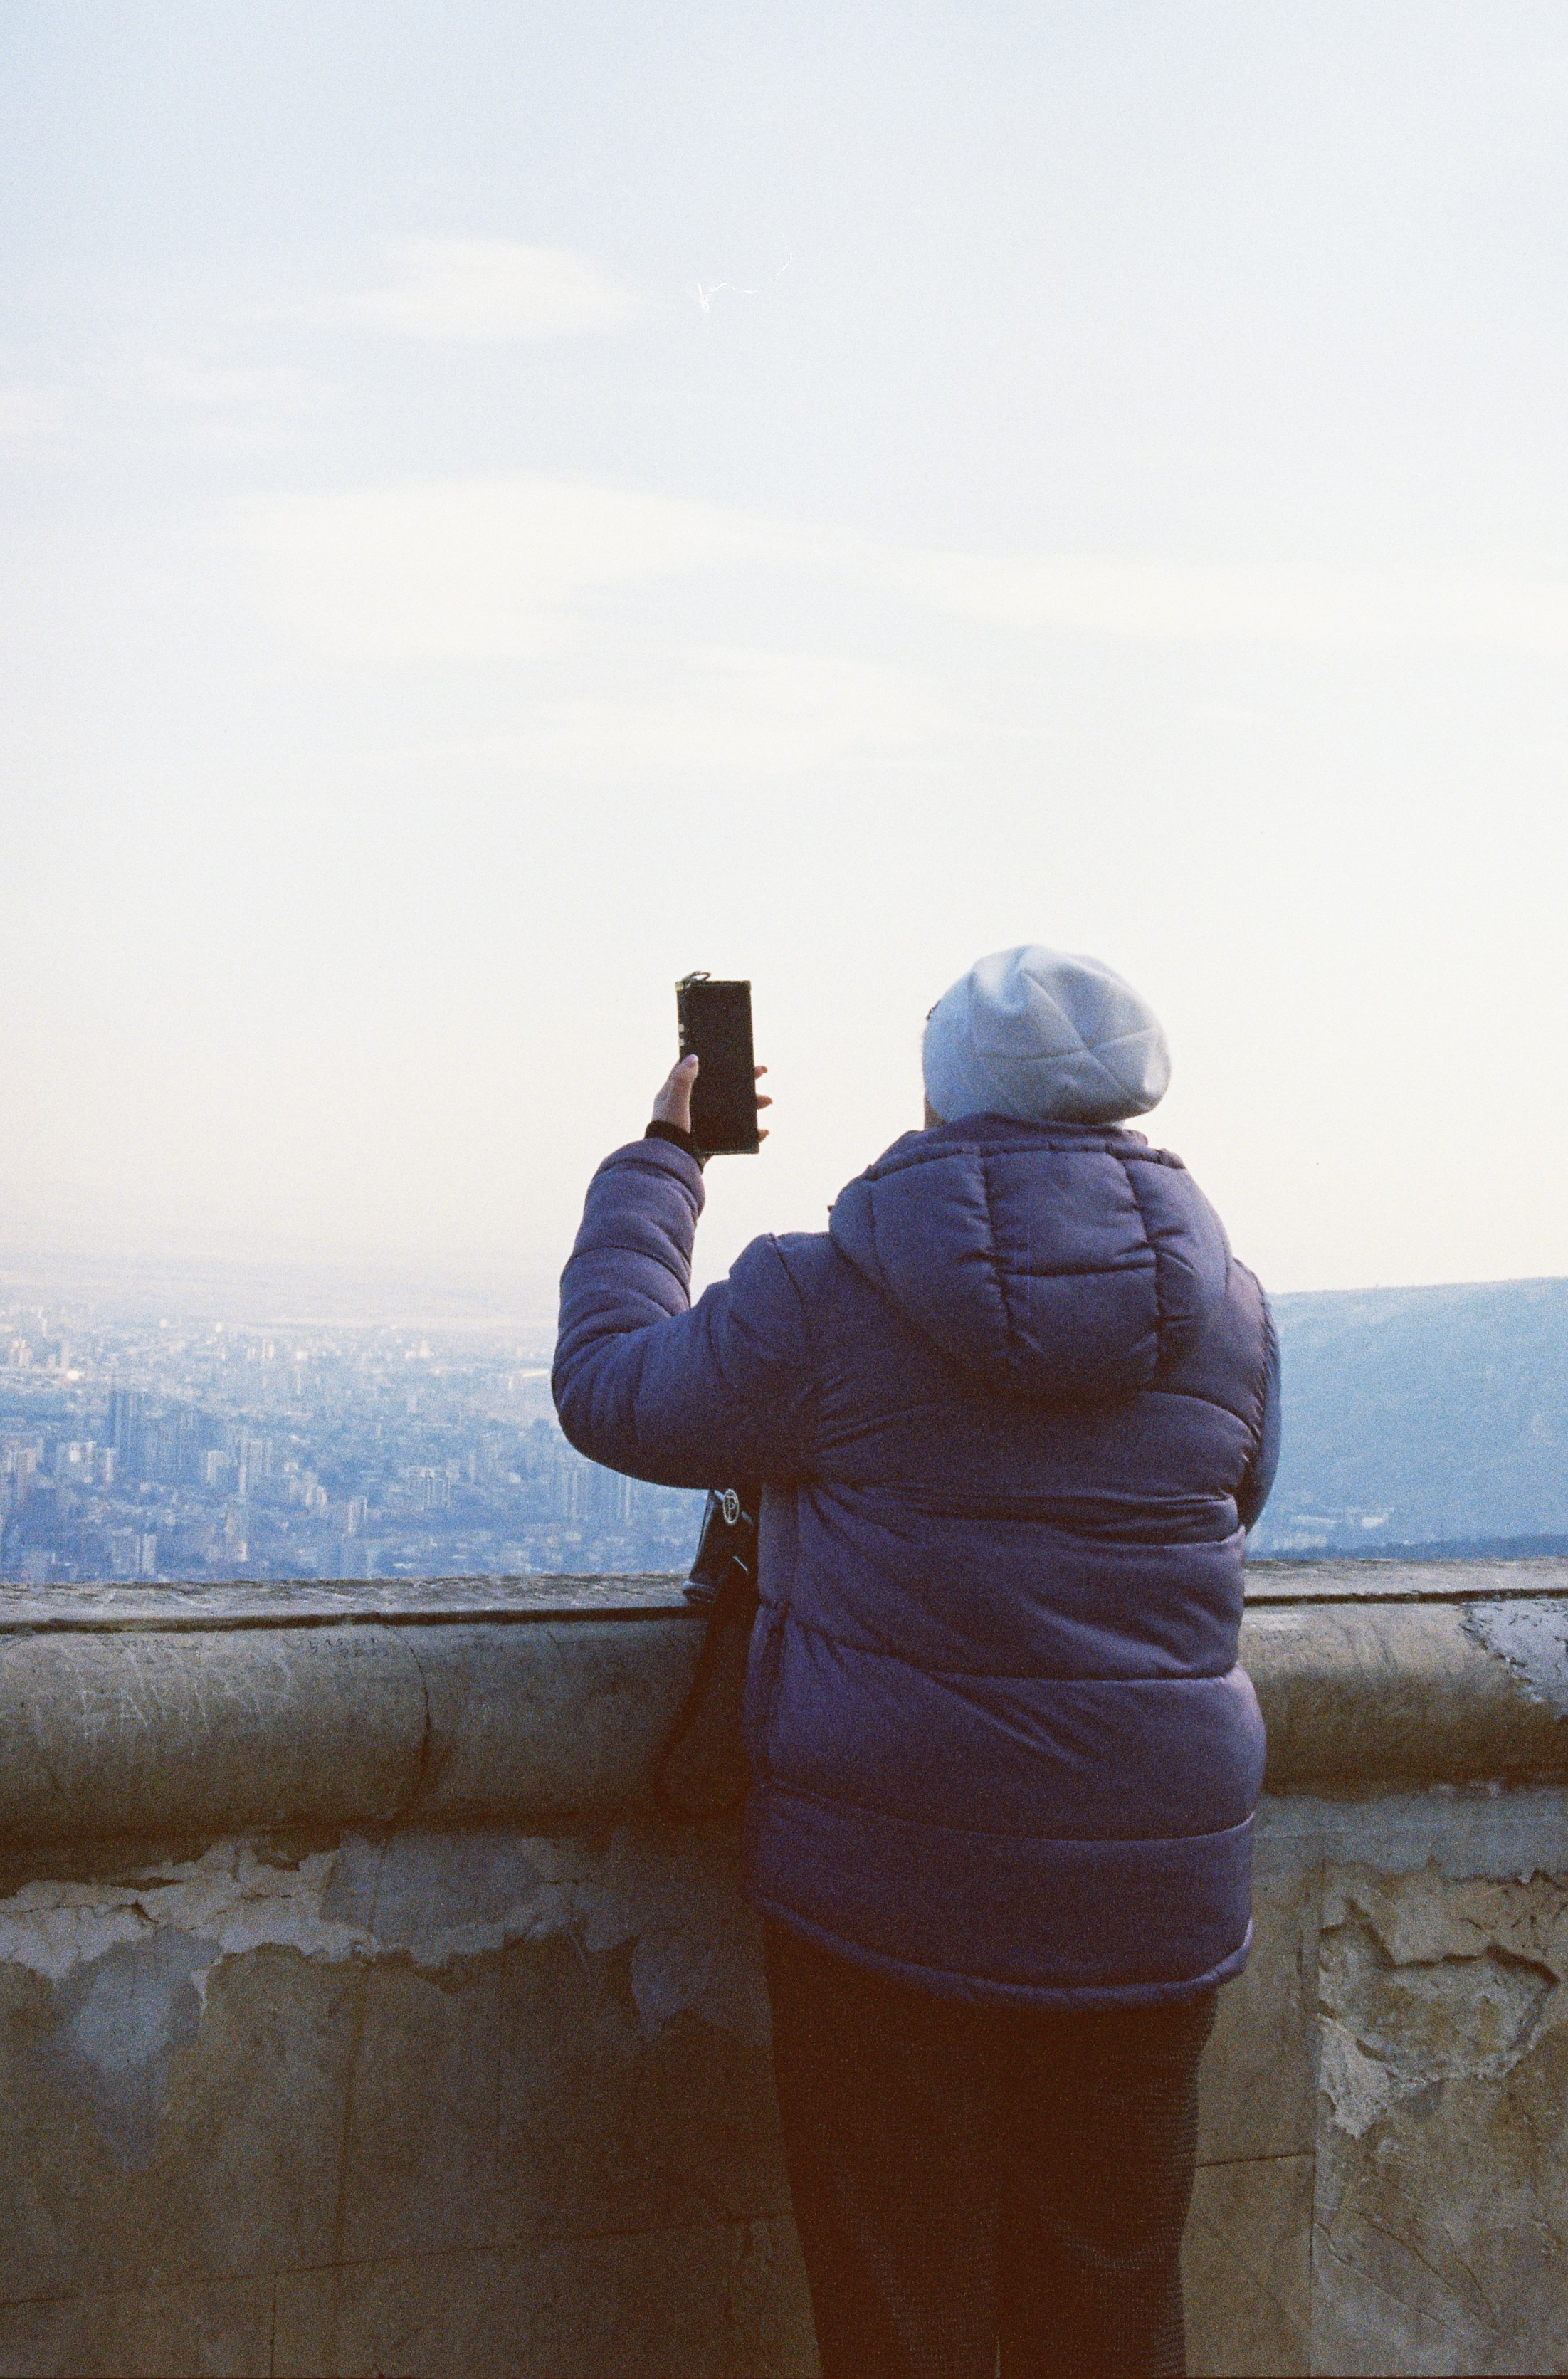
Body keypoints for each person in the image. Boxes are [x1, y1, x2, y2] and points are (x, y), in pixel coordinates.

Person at [552, 945, 1279, 2379]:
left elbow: (609, 1388)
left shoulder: (821, 1297)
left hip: (892, 1903)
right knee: (1111, 2314)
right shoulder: (1232, 1313)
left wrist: (661, 1160)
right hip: (1150, 1901)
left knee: (902, 2319)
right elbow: (1227, 1501)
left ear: (939, 1100)